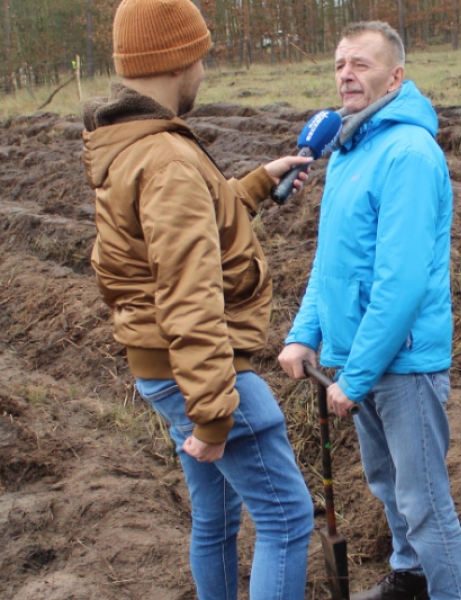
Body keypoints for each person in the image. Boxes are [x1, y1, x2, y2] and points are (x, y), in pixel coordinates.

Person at [82, 1, 314, 599]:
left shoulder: (130, 144)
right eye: (201, 58)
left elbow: (174, 233)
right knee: (287, 519)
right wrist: (213, 415)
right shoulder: (168, 159)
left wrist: (259, 182)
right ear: (177, 59)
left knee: (215, 517)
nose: (204, 73)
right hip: (202, 375)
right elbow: (190, 293)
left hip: (164, 368)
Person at [278, 21, 461, 600]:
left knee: (424, 501)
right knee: (389, 485)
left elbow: (403, 281)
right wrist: (305, 332)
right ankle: (411, 578)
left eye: (361, 64)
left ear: (396, 76)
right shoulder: (348, 146)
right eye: (340, 64)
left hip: (404, 363)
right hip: (360, 357)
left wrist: (357, 375)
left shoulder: (409, 154)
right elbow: (331, 261)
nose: (346, 75)